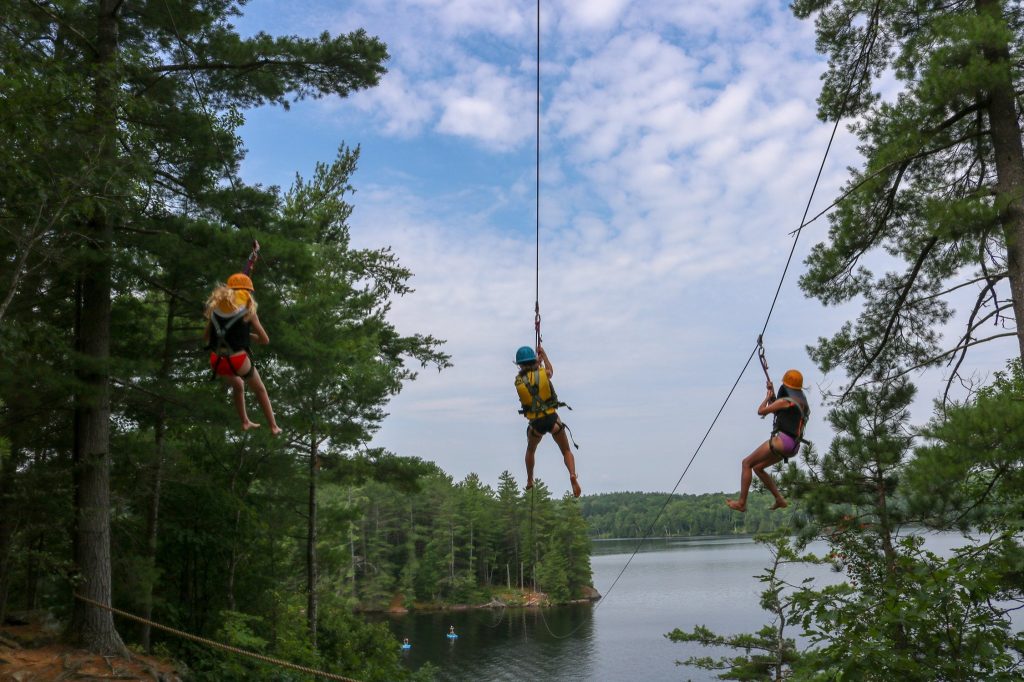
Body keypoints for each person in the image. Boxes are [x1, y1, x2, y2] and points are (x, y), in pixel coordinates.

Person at [204, 273, 282, 435]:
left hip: (217, 361)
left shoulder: (215, 308)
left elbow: (206, 337)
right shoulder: (248, 309)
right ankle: (274, 426)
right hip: (238, 360)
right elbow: (264, 340)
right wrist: (249, 336)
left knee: (238, 385)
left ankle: (245, 421)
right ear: (247, 293)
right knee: (260, 389)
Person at [726, 369, 809, 512]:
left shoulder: (785, 401)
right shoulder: (801, 404)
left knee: (746, 463)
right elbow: (779, 410)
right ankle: (779, 499)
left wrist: (767, 397)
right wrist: (772, 392)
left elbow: (761, 411)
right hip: (794, 446)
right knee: (758, 468)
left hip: (782, 442)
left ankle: (741, 503)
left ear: (786, 386)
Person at [514, 345, 581, 498]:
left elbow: (529, 378)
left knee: (531, 450)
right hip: (552, 419)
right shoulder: (543, 373)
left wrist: (536, 364)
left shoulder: (518, 382)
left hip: (536, 423)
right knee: (566, 450)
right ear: (533, 360)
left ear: (519, 364)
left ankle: (530, 479)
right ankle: (572, 474)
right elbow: (550, 371)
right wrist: (543, 355)